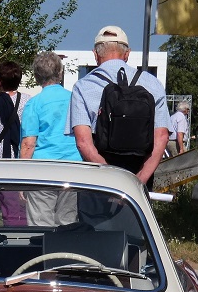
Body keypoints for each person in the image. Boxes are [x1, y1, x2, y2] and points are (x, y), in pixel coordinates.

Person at [67, 25, 170, 186]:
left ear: (95, 54)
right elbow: (162, 137)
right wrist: (139, 181)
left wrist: (112, 180)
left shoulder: (83, 86)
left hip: (98, 180)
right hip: (139, 174)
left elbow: (83, 143)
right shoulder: (153, 83)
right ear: (127, 54)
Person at [20, 51, 81, 227]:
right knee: (67, 221)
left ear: (36, 76)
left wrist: (22, 179)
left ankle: (42, 246)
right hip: (73, 167)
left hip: (43, 170)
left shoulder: (34, 103)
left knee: (40, 223)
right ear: (60, 73)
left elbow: (28, 144)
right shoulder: (75, 99)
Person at [0, 60, 30, 225]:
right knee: (25, 205)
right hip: (24, 155)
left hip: (2, 158)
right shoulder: (28, 101)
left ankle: (11, 230)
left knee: (7, 205)